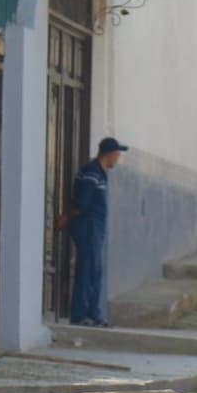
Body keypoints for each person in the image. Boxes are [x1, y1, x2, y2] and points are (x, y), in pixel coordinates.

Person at [64, 137, 127, 327]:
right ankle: (80, 314)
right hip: (88, 225)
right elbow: (82, 204)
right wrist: (65, 219)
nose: (118, 158)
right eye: (117, 154)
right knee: (88, 269)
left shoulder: (99, 172)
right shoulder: (91, 172)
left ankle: (93, 313)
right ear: (108, 154)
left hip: (95, 227)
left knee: (95, 270)